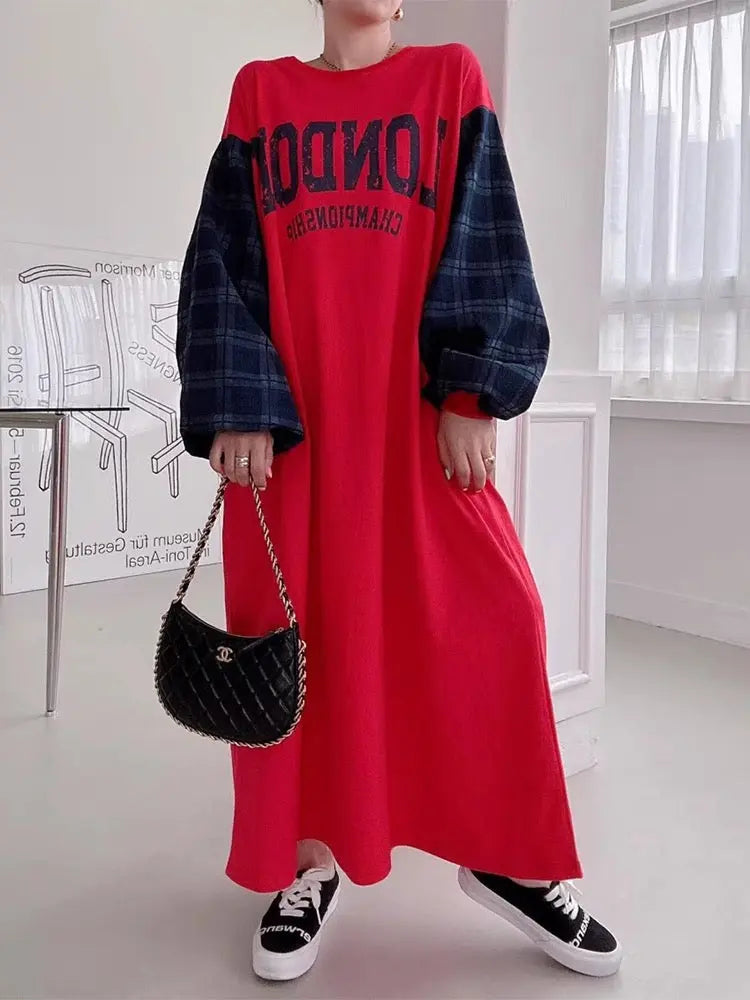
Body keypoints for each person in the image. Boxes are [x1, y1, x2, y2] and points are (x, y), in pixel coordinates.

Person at [176, 0, 622, 984]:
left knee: (498, 615)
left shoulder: (448, 79)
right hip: (291, 436)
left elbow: (486, 236)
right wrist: (240, 402)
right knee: (298, 645)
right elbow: (222, 258)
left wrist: (470, 391)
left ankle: (507, 858)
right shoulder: (262, 94)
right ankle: (308, 864)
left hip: (413, 421)